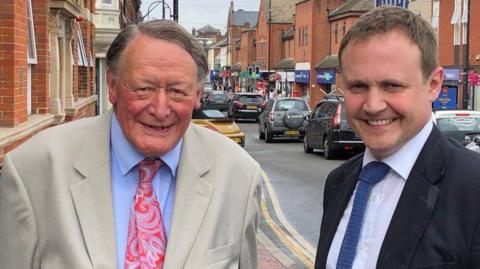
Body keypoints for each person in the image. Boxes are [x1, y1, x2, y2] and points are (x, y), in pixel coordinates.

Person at [0, 20, 262, 269]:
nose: (160, 110)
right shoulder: (34, 170)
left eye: (177, 91)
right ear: (112, 87)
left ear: (196, 95)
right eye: (143, 89)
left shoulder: (239, 176)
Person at [315, 6, 480, 269]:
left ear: (434, 84)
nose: (373, 104)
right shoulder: (338, 182)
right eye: (358, 86)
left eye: (392, 85)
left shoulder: (473, 187)